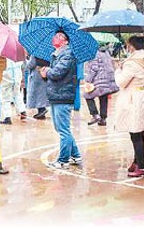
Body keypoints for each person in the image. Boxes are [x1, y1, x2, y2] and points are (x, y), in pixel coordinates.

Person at [40, 31, 82, 169]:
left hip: (63, 97)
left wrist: (47, 71)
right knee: (61, 128)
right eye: (55, 35)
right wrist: (45, 73)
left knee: (63, 130)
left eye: (59, 36)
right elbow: (53, 74)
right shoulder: (57, 54)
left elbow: (57, 73)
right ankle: (75, 155)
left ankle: (63, 161)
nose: (55, 38)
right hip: (56, 96)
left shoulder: (67, 55)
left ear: (66, 41)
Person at [114, 36, 144, 177]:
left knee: (135, 133)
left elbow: (121, 82)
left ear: (131, 46)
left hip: (133, 99)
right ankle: (137, 161)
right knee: (138, 130)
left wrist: (118, 70)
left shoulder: (131, 63)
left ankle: (141, 167)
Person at [83, 43, 119, 126]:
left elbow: (94, 69)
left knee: (87, 95)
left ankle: (95, 115)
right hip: (108, 80)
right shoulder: (105, 52)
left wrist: (88, 80)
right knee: (103, 98)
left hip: (100, 80)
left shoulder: (93, 54)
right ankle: (103, 119)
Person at [0, 59, 27, 124]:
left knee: (5, 98)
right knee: (17, 94)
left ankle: (7, 117)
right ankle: (22, 111)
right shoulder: (17, 55)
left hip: (6, 78)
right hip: (17, 78)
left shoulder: (3, 56)